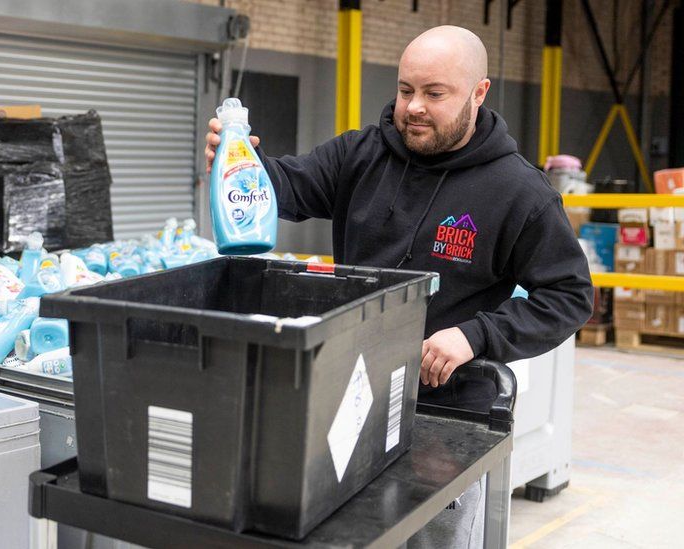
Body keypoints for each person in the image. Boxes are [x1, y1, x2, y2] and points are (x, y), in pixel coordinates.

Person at [205, 25, 593, 547]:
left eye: (435, 94)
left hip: (448, 411)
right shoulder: (361, 155)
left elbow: (570, 297)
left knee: (430, 538)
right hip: (352, 396)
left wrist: (476, 336)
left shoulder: (519, 192)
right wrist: (240, 166)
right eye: (406, 89)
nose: (412, 107)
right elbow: (289, 186)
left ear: (479, 93)